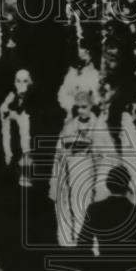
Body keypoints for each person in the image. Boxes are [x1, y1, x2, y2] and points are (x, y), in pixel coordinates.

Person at [50, 90, 116, 247]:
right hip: (73, 172)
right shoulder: (69, 126)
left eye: (84, 106)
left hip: (92, 174)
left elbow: (108, 152)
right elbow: (60, 153)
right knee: (73, 205)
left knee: (90, 208)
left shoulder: (99, 126)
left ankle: (90, 243)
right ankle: (71, 240)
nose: (80, 110)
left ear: (91, 106)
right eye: (78, 107)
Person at [58, 46, 101, 115]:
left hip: (90, 112)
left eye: (87, 51)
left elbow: (97, 96)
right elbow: (63, 94)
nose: (85, 53)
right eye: (82, 49)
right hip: (73, 112)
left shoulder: (95, 74)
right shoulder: (71, 74)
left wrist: (91, 104)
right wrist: (72, 105)